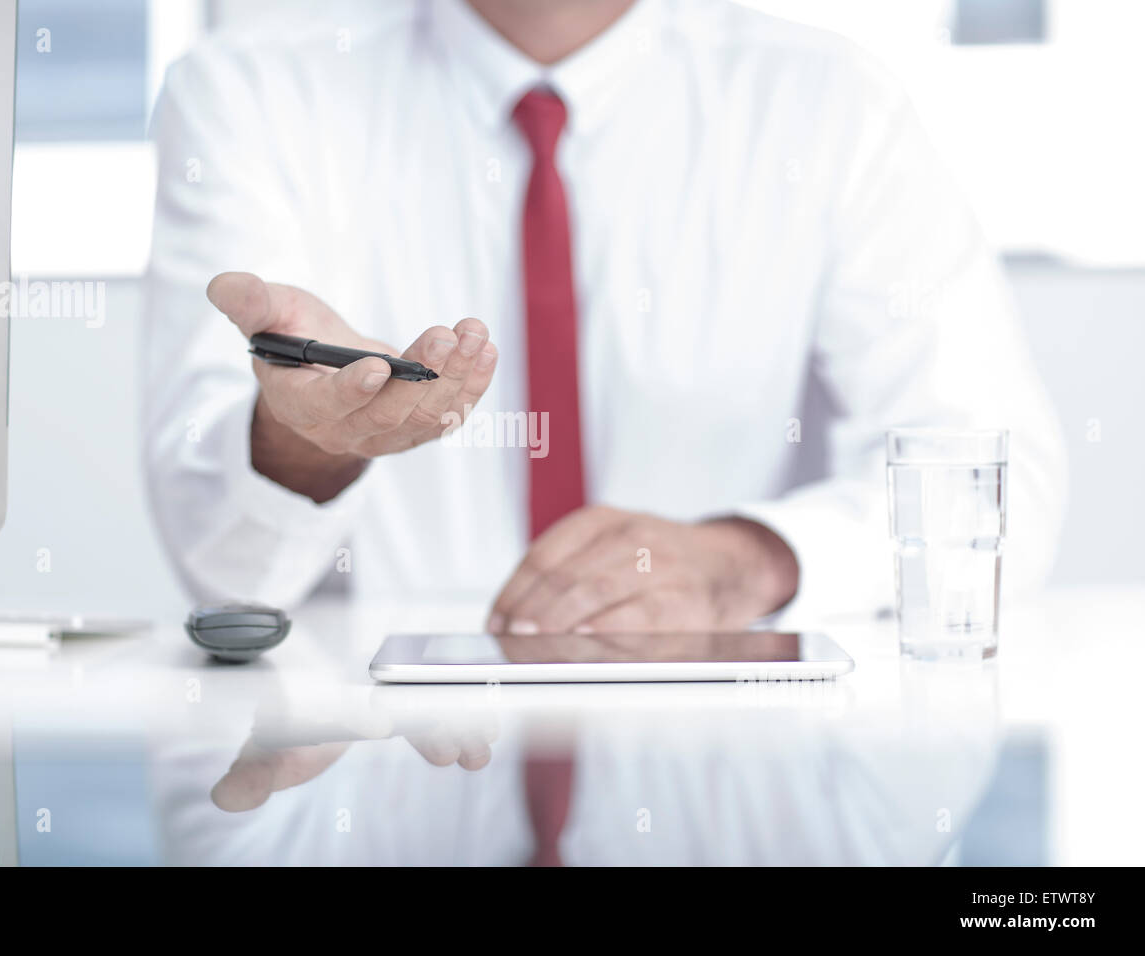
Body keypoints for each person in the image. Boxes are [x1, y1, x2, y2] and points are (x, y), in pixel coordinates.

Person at [141, 0, 1065, 633]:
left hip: (724, 774)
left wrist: (749, 561)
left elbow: (998, 484)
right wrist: (307, 443)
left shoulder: (830, 103)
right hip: (373, 769)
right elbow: (221, 571)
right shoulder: (247, 92)